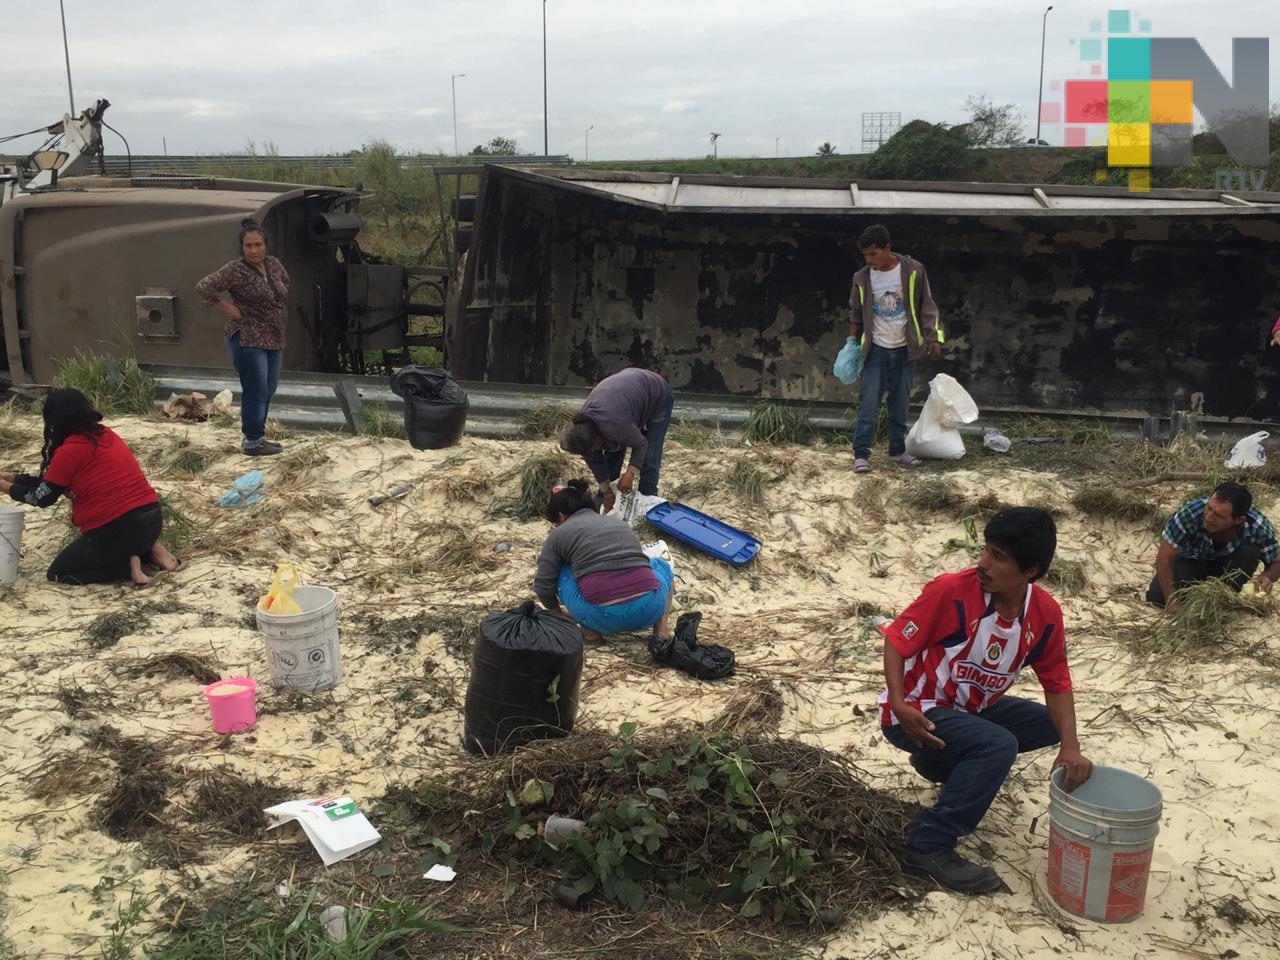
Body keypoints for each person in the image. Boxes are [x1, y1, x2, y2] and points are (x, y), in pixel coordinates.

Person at [877, 507, 1091, 894]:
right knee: (998, 745)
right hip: (917, 709)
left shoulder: (1043, 615)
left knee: (1049, 724)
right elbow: (896, 640)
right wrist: (897, 703)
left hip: (969, 708)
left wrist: (1071, 747)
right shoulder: (951, 591)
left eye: (998, 557)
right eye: (986, 550)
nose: (983, 563)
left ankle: (943, 763)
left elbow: (1057, 681)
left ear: (1030, 571)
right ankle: (928, 845)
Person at [0, 388, 179, 585]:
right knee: (110, 548)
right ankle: (152, 551)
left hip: (119, 529)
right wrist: (14, 478)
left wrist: (5, 487)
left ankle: (130, 567)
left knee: (59, 574)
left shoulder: (71, 449)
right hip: (151, 520)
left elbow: (42, 497)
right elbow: (53, 480)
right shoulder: (106, 435)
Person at [848, 224, 943, 474]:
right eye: (865, 255)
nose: (869, 261)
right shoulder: (862, 278)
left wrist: (934, 337)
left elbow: (927, 305)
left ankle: (897, 451)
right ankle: (860, 454)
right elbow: (855, 313)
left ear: (887, 248)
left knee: (900, 403)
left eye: (873, 254)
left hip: (905, 349)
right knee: (868, 403)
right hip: (876, 349)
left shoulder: (913, 270)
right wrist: (850, 344)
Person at [533, 479, 675, 642]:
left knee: (562, 569)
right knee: (660, 564)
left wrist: (558, 614)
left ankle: (591, 633)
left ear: (561, 516)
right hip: (649, 610)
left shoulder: (559, 534)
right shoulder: (618, 523)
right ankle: (661, 630)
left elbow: (543, 587)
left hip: (600, 617)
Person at [196, 219, 290, 457]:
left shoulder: (274, 265)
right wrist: (229, 308)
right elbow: (205, 286)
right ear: (242, 248)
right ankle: (252, 441)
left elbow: (284, 286)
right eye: (248, 245)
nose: (254, 250)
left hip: (273, 336)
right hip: (248, 336)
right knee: (256, 388)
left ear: (266, 246)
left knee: (269, 388)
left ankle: (259, 435)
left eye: (258, 244)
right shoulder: (235, 269)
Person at [1146, 481, 1280, 609]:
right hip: (1193, 562)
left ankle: (1227, 600)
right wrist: (1172, 602)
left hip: (1231, 570)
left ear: (1238, 520)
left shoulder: (1257, 526)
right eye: (1209, 508)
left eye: (1219, 516)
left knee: (1249, 552)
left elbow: (1276, 561)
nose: (1209, 517)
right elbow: (1164, 557)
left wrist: (1267, 576)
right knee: (1156, 596)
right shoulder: (1190, 513)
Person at [558, 367, 672, 513]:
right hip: (624, 399)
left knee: (650, 455)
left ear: (596, 439)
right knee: (613, 449)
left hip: (656, 393)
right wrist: (606, 491)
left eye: (595, 449)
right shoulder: (583, 432)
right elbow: (595, 461)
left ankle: (647, 498)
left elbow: (641, 444)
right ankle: (611, 495)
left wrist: (630, 473)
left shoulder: (615, 425)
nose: (594, 453)